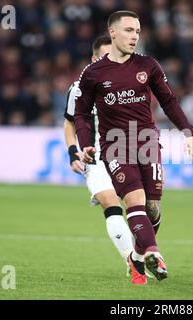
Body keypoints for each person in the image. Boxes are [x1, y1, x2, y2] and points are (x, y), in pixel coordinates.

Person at [74, 11, 193, 285]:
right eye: (129, 30)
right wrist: (84, 144)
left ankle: (138, 257)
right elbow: (80, 115)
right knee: (134, 200)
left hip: (148, 143)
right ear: (113, 32)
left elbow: (169, 100)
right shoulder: (93, 73)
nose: (134, 36)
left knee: (153, 208)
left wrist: (188, 132)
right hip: (115, 145)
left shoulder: (148, 65)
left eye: (138, 31)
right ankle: (153, 252)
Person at [63, 35, 134, 276]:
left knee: (142, 208)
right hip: (94, 159)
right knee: (110, 203)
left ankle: (144, 251)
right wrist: (74, 152)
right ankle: (131, 260)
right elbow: (69, 123)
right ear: (94, 59)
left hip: (126, 154)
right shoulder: (78, 89)